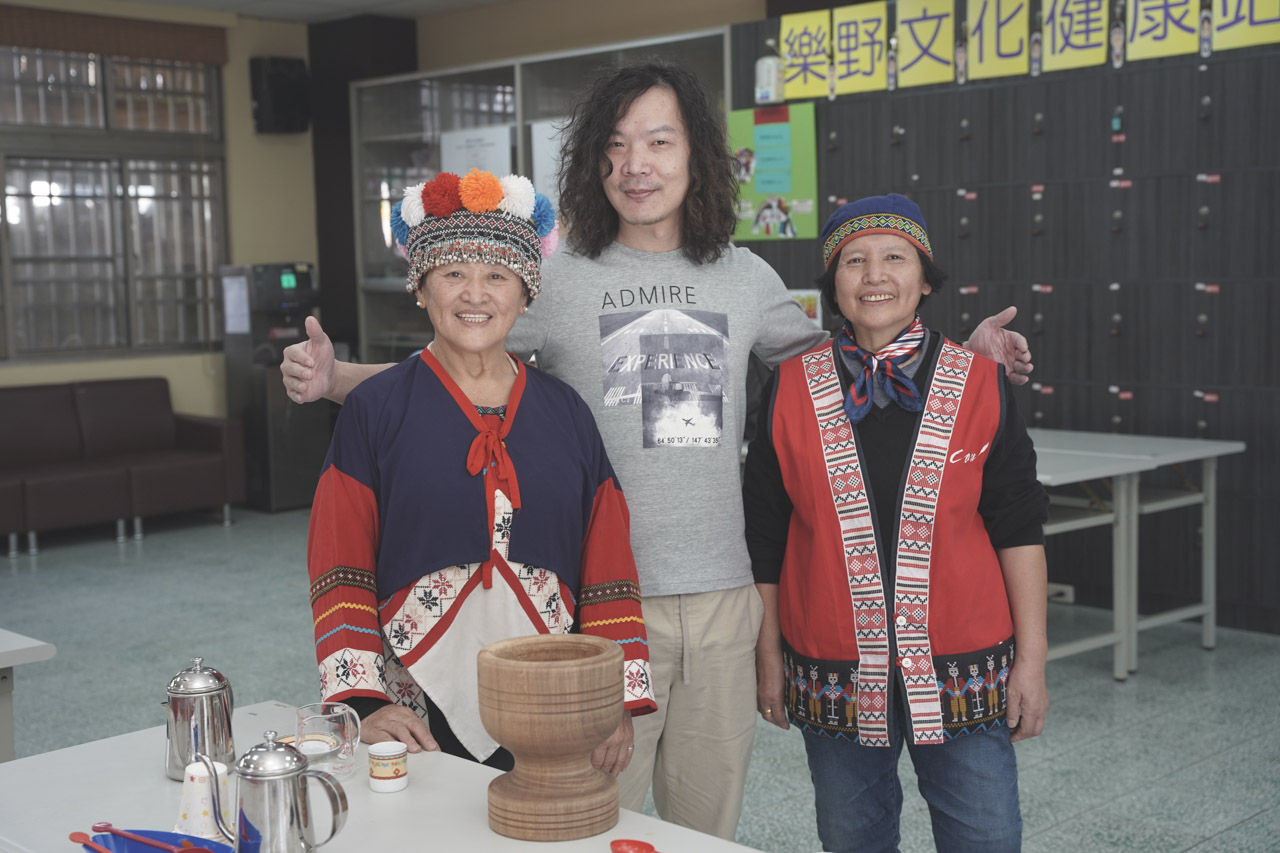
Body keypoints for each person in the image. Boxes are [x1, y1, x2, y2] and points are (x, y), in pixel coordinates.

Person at [283, 59, 1034, 840]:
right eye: (615, 145)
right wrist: (335, 376)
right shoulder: (556, 277)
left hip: (722, 600)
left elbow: (854, 353)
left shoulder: (745, 277)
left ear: (695, 157)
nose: (635, 164)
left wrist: (959, 352)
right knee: (601, 823)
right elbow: (451, 365)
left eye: (659, 141)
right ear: (593, 164)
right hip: (595, 610)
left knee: (704, 830)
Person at [307, 168, 656, 775]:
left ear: (525, 293)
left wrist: (615, 694)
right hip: (409, 701)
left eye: (497, 275)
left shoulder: (564, 410)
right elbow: (339, 561)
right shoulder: (375, 408)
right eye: (453, 274)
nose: (475, 294)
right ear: (421, 287)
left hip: (548, 691)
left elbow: (607, 561)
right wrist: (363, 703)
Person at [744, 194, 1049, 853]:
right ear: (833, 286)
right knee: (855, 840)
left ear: (926, 278)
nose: (874, 275)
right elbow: (765, 535)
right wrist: (767, 653)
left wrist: (1032, 660)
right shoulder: (788, 389)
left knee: (986, 838)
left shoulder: (980, 383)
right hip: (833, 674)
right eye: (854, 260)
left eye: (894, 257)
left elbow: (1019, 527)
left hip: (965, 671)